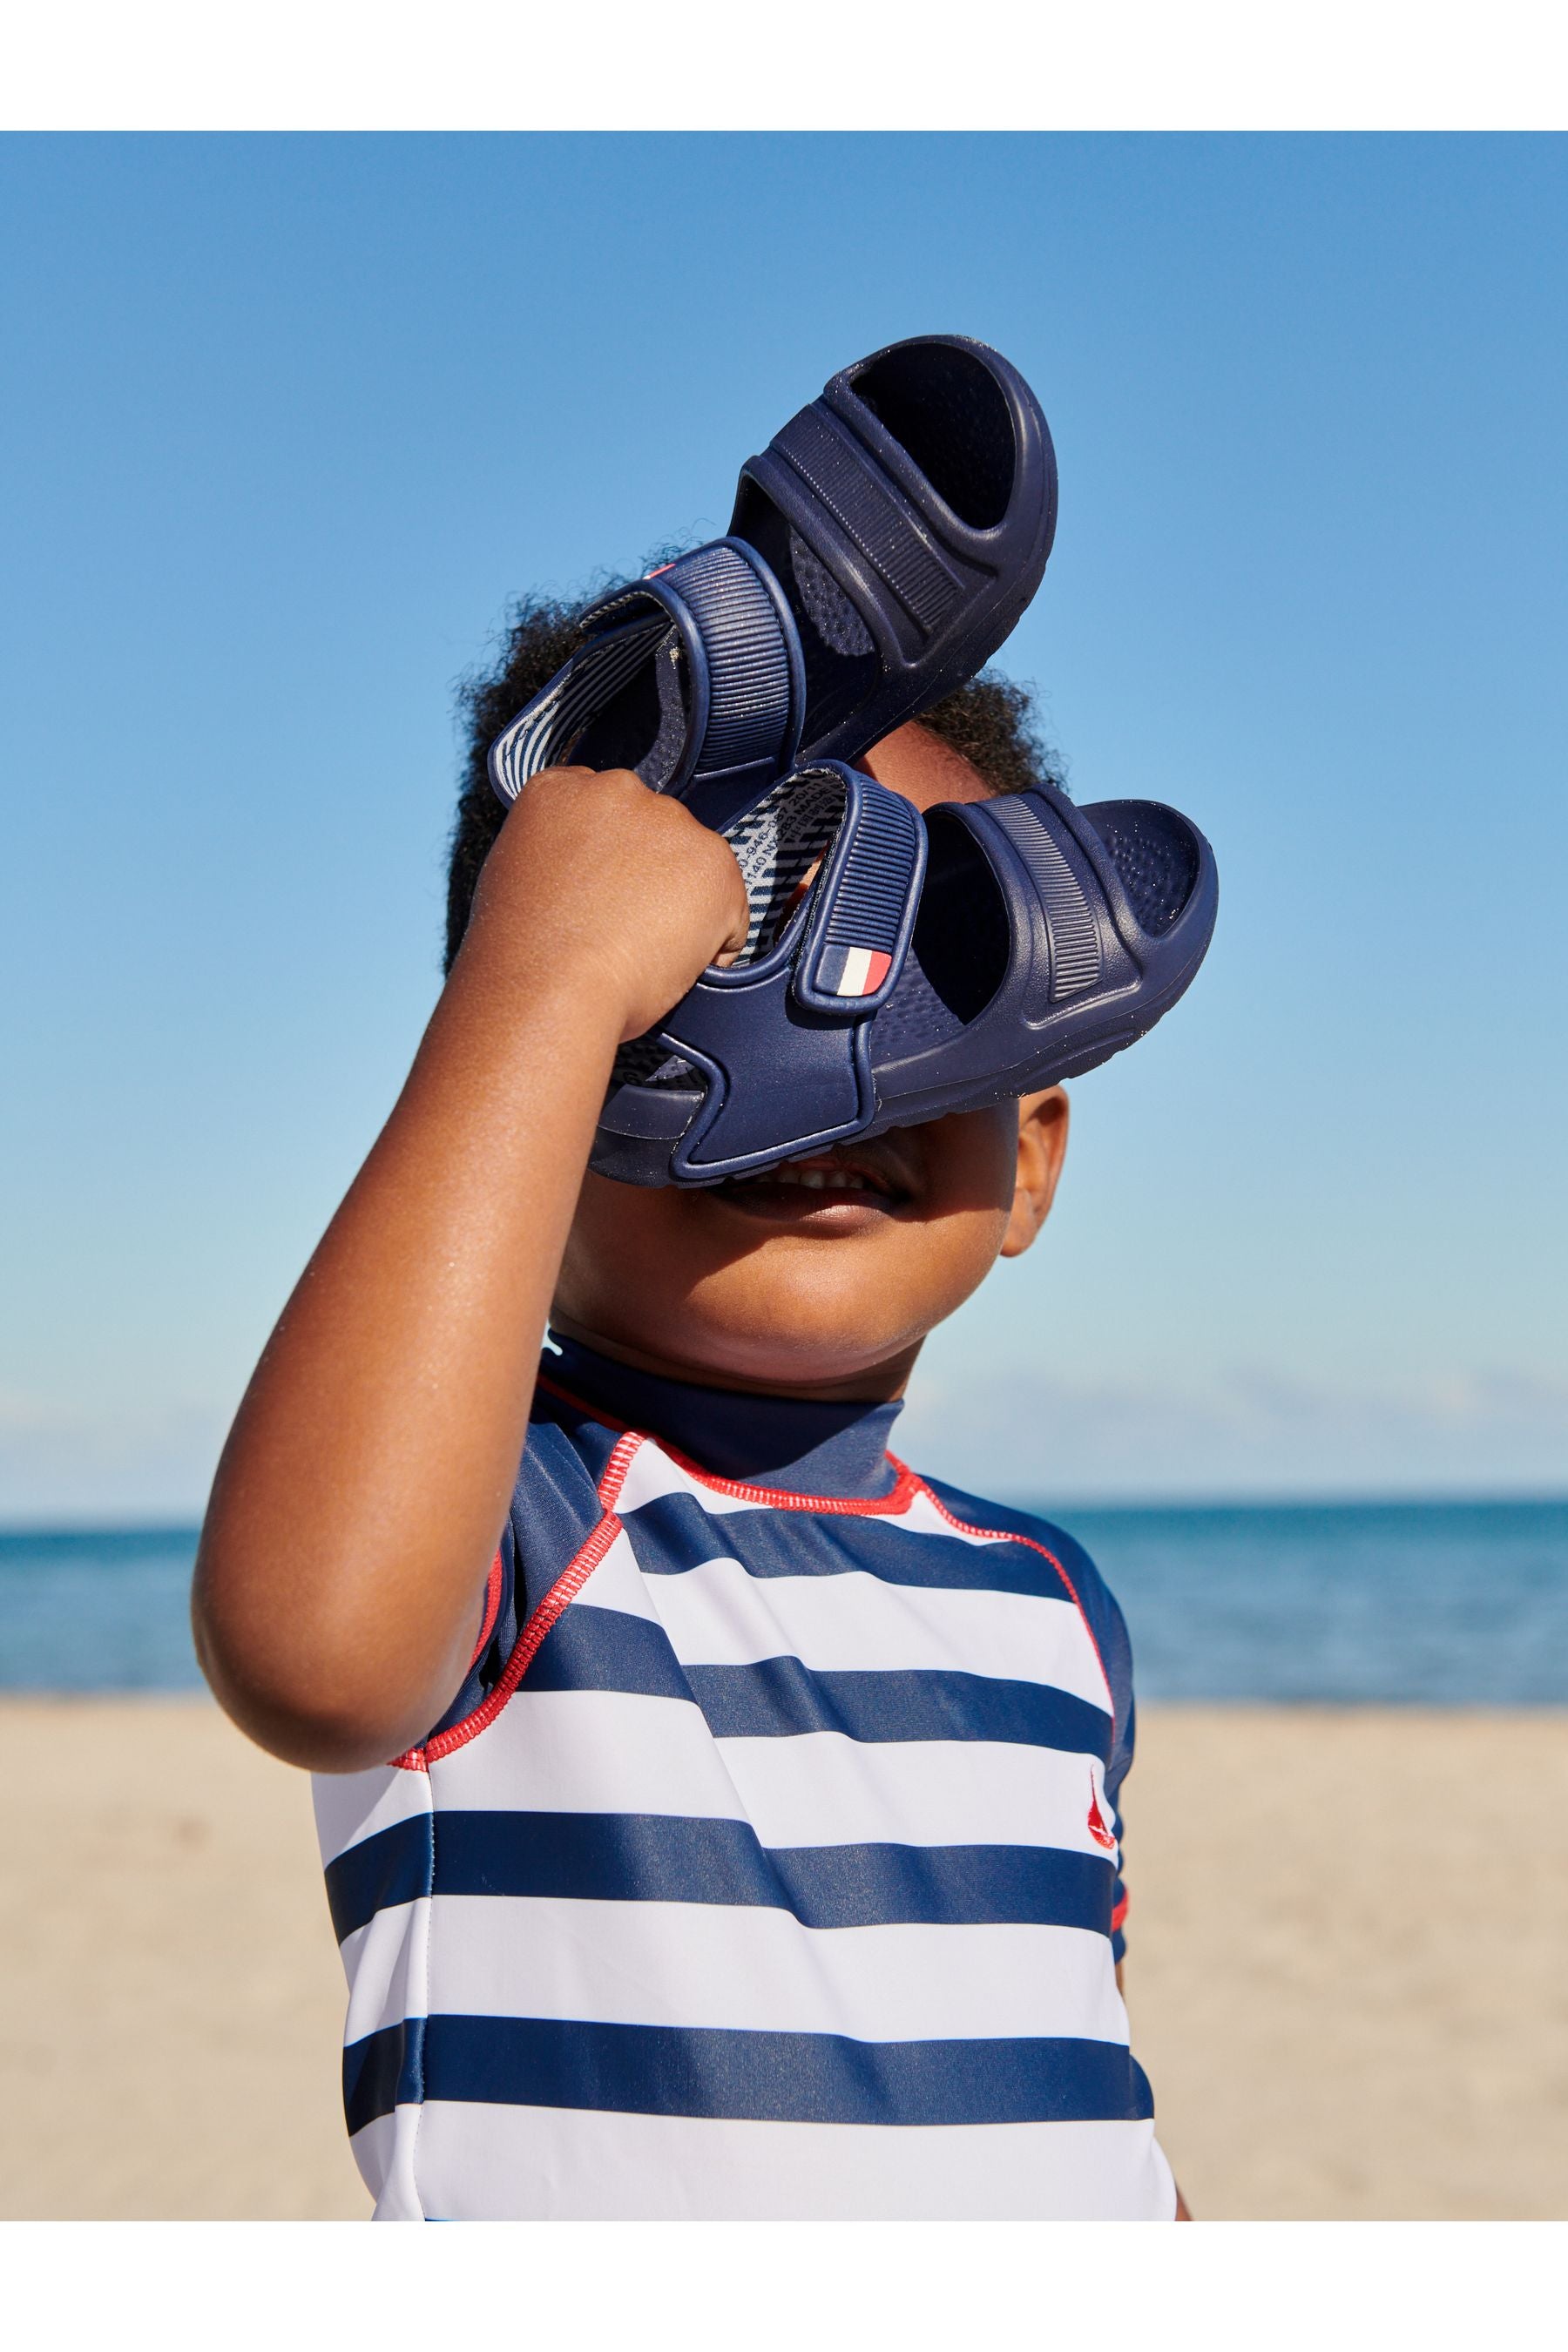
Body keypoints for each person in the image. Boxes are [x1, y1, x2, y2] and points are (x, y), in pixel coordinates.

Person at [193, 594, 1190, 2221]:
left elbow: (1080, 2080)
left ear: (1032, 1161)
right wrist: (547, 984)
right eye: (714, 960)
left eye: (943, 959)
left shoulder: (1055, 1607)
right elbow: (311, 1657)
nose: (842, 1029)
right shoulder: (505, 1521)